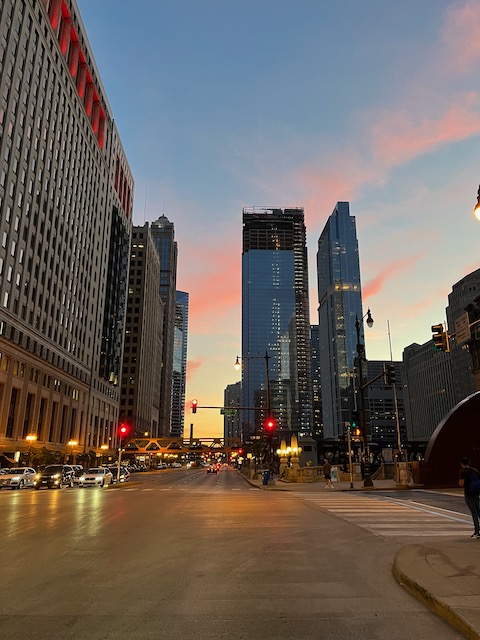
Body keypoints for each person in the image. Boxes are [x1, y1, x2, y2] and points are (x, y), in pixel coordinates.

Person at [459, 457, 480, 537]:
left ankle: (477, 531)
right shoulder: (475, 470)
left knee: (474, 513)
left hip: (469, 494)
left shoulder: (463, 471)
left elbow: (461, 483)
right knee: (478, 511)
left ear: (461, 464)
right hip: (476, 493)